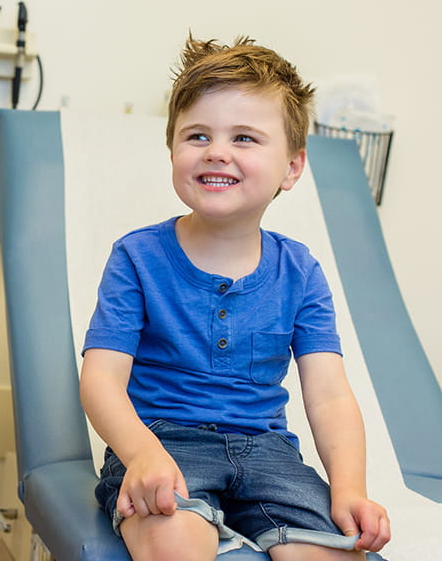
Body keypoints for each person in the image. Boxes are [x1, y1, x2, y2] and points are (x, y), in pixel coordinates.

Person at [79, 36, 391, 561]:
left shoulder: (301, 272)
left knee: (331, 555)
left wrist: (349, 488)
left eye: (245, 138)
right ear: (173, 151)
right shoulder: (137, 257)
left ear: (292, 168)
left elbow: (330, 395)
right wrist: (142, 454)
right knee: (173, 541)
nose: (216, 151)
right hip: (164, 442)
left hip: (270, 456)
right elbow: (101, 377)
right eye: (196, 135)